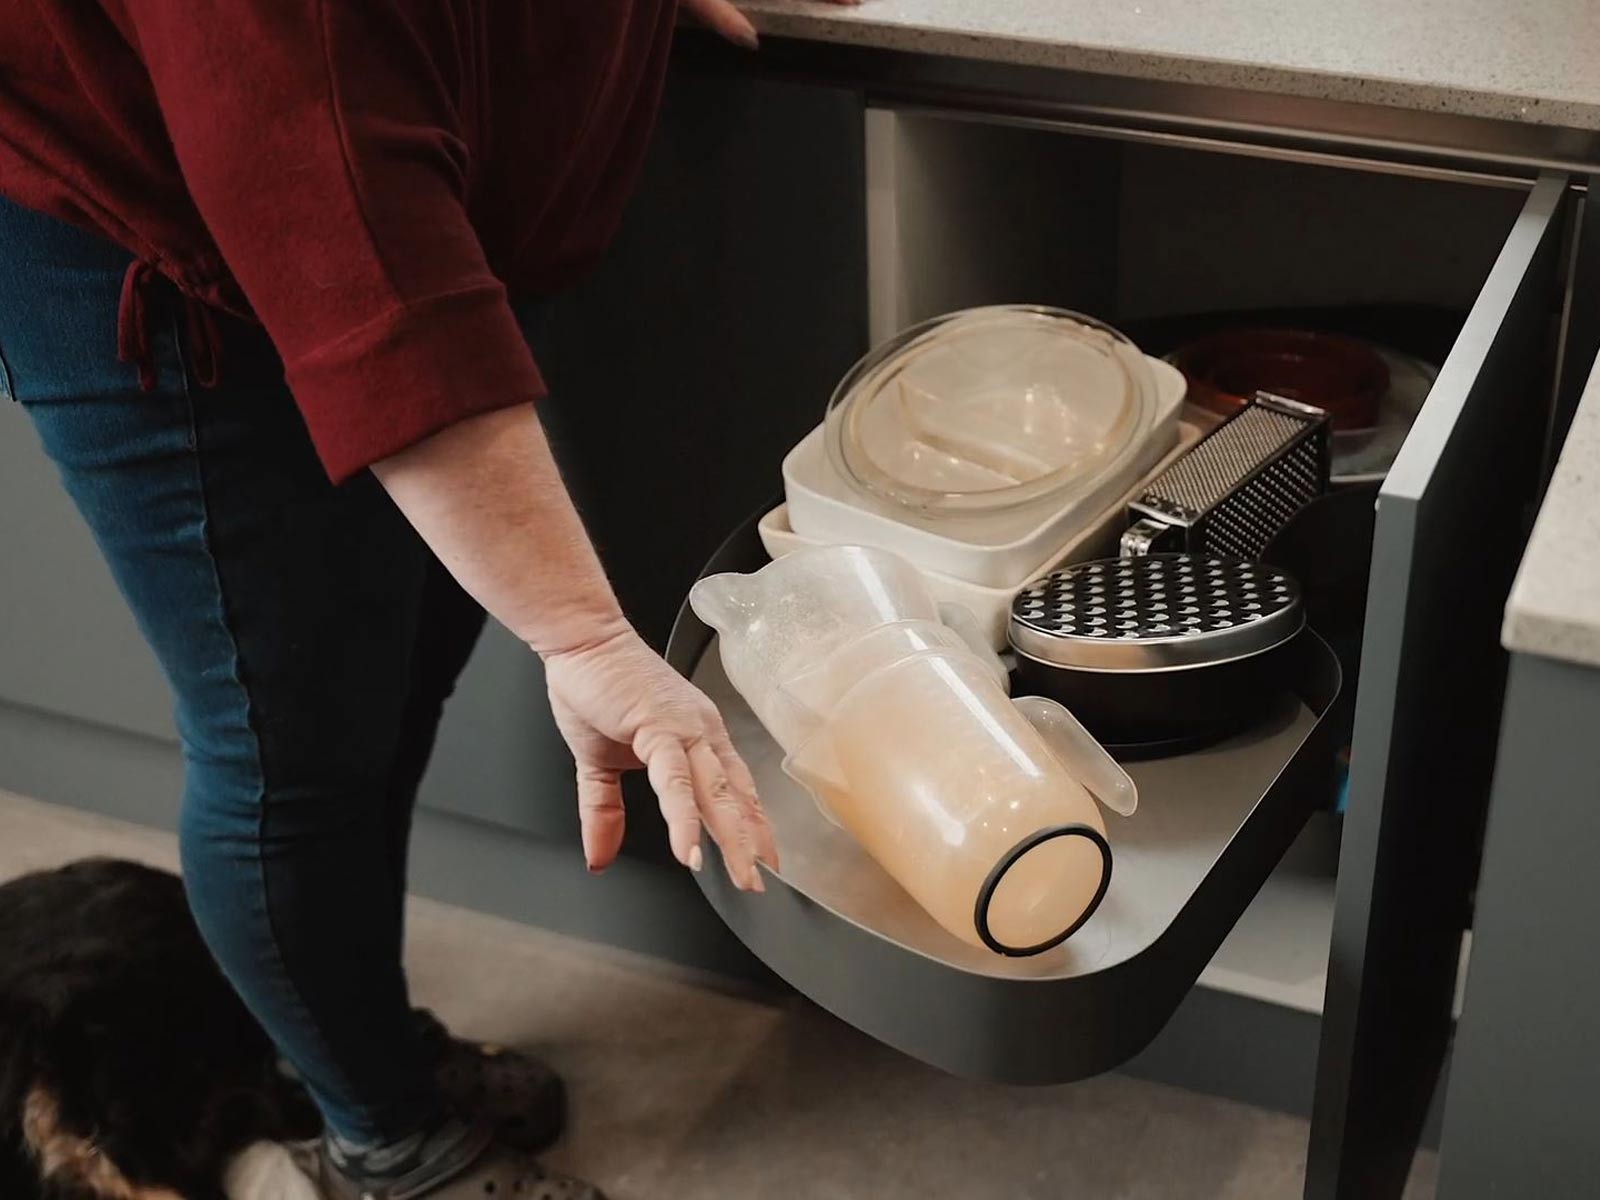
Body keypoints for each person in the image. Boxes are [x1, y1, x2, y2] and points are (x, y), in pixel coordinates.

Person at [0, 1, 853, 1197]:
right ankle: (381, 1141)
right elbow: (336, 214)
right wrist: (579, 629)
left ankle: (353, 1051)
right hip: (158, 221)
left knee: (382, 691)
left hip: (409, 184)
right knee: (285, 748)